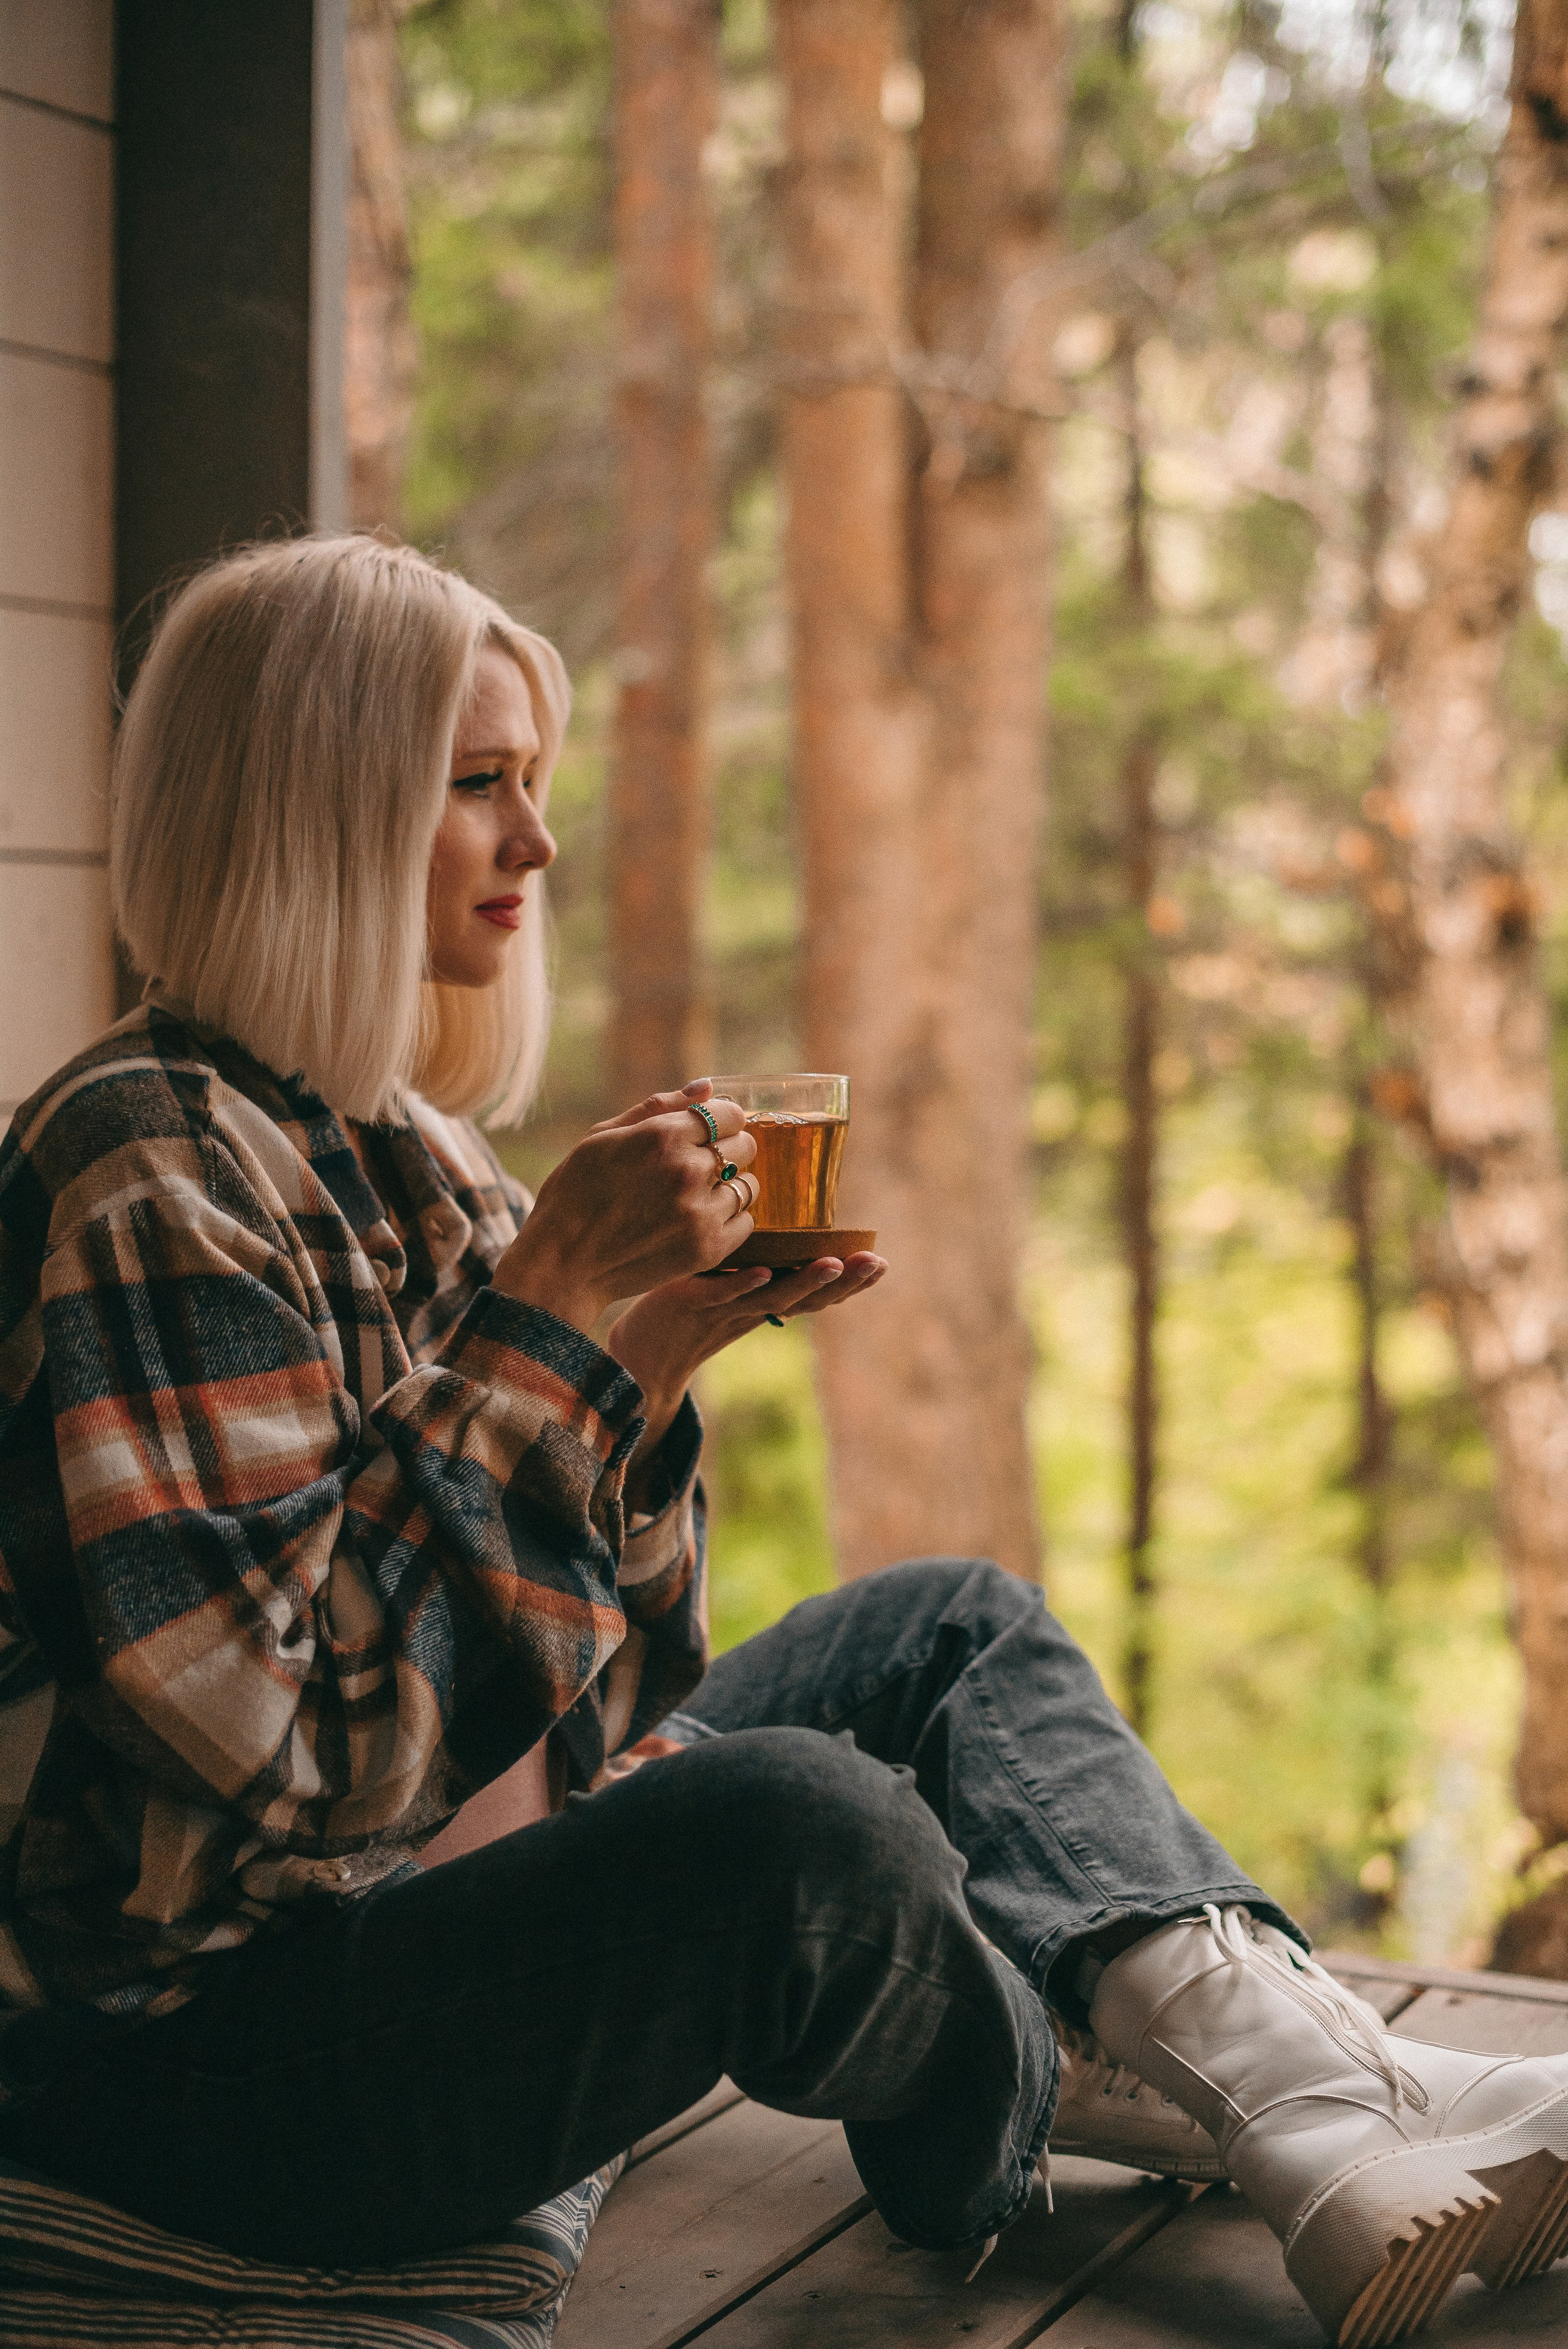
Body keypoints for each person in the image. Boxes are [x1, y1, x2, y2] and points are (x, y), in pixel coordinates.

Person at [0, 536, 1564, 2349]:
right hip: (227, 2069)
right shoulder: (141, 1170)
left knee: (949, 1627)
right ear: (321, 807)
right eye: (482, 784)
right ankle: (1154, 2092)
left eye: (540, 784)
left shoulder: (412, 1157)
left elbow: (610, 1691)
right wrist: (556, 1312)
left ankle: (1305, 2092)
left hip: (445, 1867)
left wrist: (645, 1359)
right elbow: (289, 1765)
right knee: (793, 1830)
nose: (541, 841)